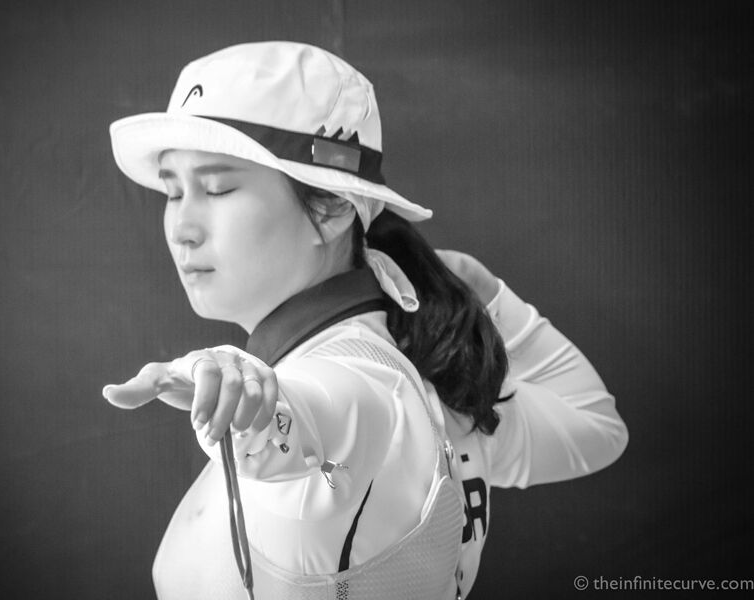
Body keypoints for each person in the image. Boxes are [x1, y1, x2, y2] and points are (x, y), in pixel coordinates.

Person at [102, 41, 628, 599]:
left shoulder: (359, 381)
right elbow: (595, 426)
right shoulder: (437, 375)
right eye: (173, 191)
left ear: (331, 208)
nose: (182, 228)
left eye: (217, 188)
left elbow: (319, 413)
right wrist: (489, 296)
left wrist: (248, 395)